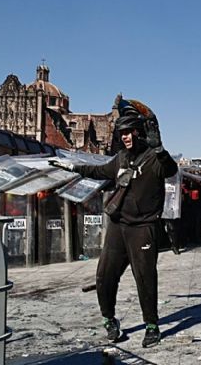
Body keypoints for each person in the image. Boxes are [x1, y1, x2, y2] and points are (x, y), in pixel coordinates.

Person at [50, 109, 178, 347]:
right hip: (118, 225)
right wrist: (69, 165)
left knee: (145, 278)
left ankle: (151, 326)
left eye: (130, 132)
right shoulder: (120, 158)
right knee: (104, 276)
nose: (126, 137)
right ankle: (109, 320)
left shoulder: (153, 158)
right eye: (123, 133)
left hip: (143, 227)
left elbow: (171, 170)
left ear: (139, 132)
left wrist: (160, 149)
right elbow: (96, 171)